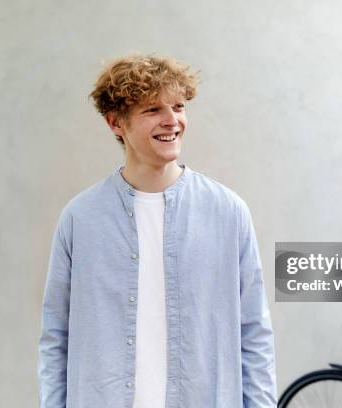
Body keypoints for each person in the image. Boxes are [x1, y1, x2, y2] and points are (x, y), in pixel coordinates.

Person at [37, 54, 276, 408]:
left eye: (178, 107)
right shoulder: (81, 218)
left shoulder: (227, 212)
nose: (172, 121)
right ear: (116, 122)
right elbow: (56, 338)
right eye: (152, 110)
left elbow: (254, 334)